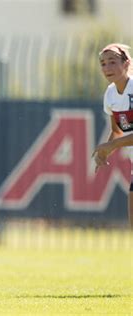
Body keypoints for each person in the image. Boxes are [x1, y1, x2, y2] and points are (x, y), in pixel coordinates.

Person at [93, 43, 133, 228]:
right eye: (103, 63)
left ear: (126, 64)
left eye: (112, 62)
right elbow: (117, 130)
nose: (106, 68)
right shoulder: (110, 94)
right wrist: (105, 152)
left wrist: (111, 146)